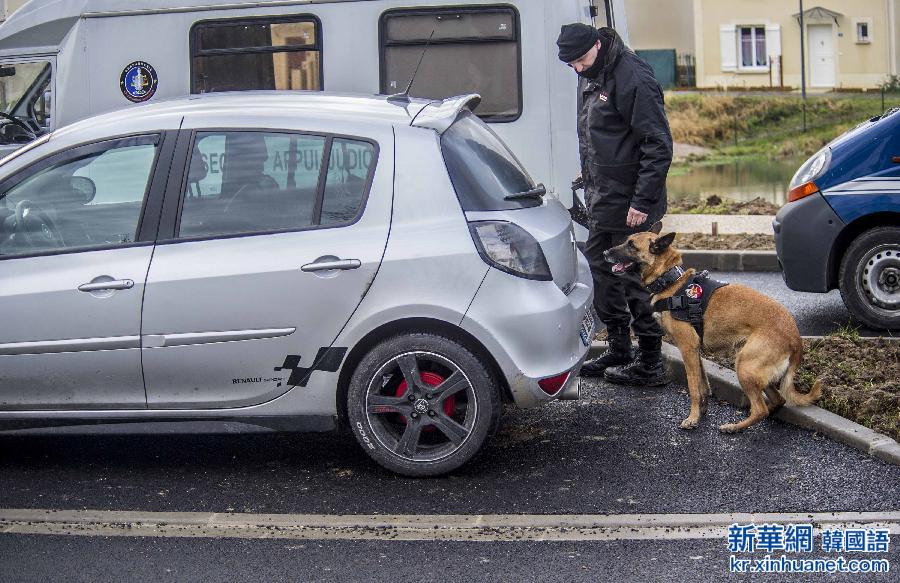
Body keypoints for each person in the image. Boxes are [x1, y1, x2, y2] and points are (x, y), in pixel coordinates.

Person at [557, 23, 673, 386]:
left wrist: (641, 200)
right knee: (600, 268)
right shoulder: (591, 70)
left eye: (580, 60)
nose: (577, 68)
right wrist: (589, 169)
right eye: (571, 64)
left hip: (631, 204)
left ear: (597, 45)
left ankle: (651, 360)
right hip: (603, 197)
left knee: (636, 279)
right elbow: (603, 133)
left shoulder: (632, 76)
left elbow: (658, 145)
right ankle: (620, 345)